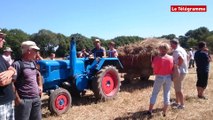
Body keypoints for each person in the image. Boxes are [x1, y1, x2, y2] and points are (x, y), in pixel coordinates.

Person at [12, 41, 42, 120]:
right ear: (29, 50)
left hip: (36, 99)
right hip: (24, 101)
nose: (37, 52)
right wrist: (17, 99)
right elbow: (11, 83)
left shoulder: (33, 63)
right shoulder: (17, 64)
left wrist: (40, 86)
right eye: (35, 50)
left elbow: (38, 75)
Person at [147, 43, 173, 117]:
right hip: (168, 77)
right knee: (167, 93)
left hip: (159, 77)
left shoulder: (157, 58)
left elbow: (153, 66)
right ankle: (164, 112)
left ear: (160, 49)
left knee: (155, 93)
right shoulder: (171, 58)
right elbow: (172, 67)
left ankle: (150, 111)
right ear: (167, 49)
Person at [0, 31, 16, 120]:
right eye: (1, 37)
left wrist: (10, 73)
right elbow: (2, 82)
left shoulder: (0, 57)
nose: (3, 40)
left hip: (8, 101)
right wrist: (12, 77)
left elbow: (13, 70)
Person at [170, 38, 188, 109]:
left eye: (171, 44)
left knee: (178, 89)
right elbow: (187, 57)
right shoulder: (182, 49)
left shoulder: (176, 51)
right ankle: (177, 102)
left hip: (179, 72)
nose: (170, 46)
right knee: (177, 87)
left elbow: (181, 59)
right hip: (183, 71)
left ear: (174, 44)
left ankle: (182, 105)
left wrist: (177, 67)